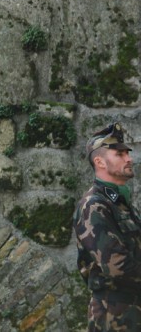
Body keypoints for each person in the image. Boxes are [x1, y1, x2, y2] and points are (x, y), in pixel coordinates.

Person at [73, 122, 141, 330]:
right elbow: (116, 266)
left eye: (127, 153)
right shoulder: (93, 205)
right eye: (119, 154)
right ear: (99, 161)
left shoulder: (119, 203)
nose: (129, 159)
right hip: (114, 315)